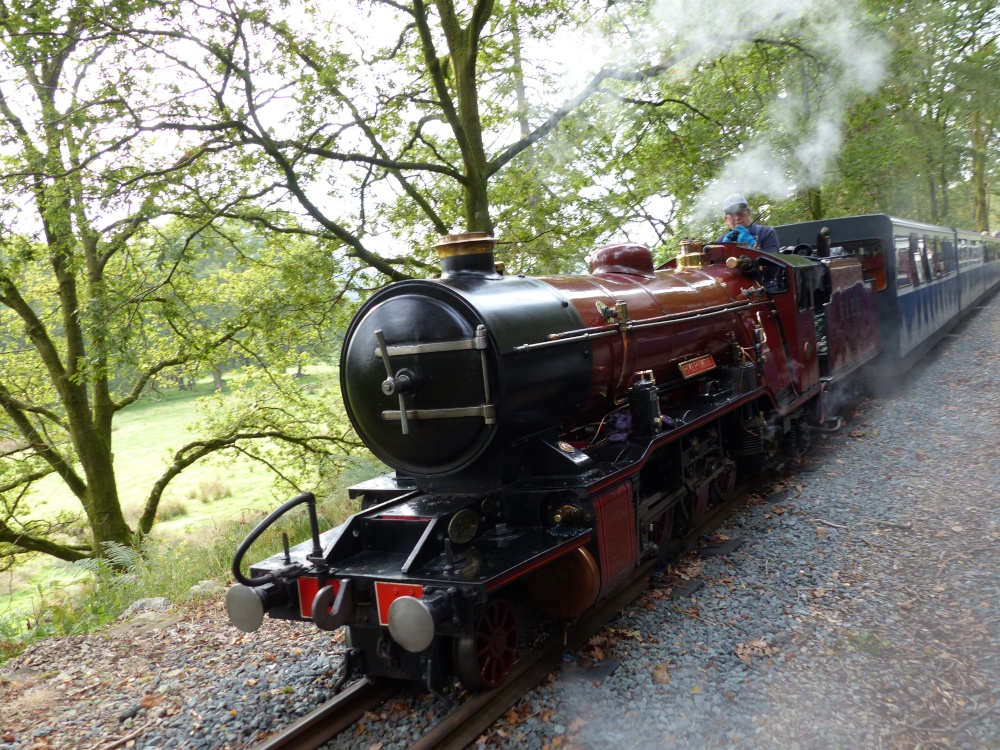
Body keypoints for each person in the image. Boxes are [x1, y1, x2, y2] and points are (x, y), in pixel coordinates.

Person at [716, 193, 780, 253]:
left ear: (748, 213)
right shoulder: (721, 240)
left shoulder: (766, 232)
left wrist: (752, 245)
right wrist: (724, 250)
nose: (737, 218)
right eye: (731, 214)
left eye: (740, 212)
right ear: (726, 219)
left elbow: (775, 263)